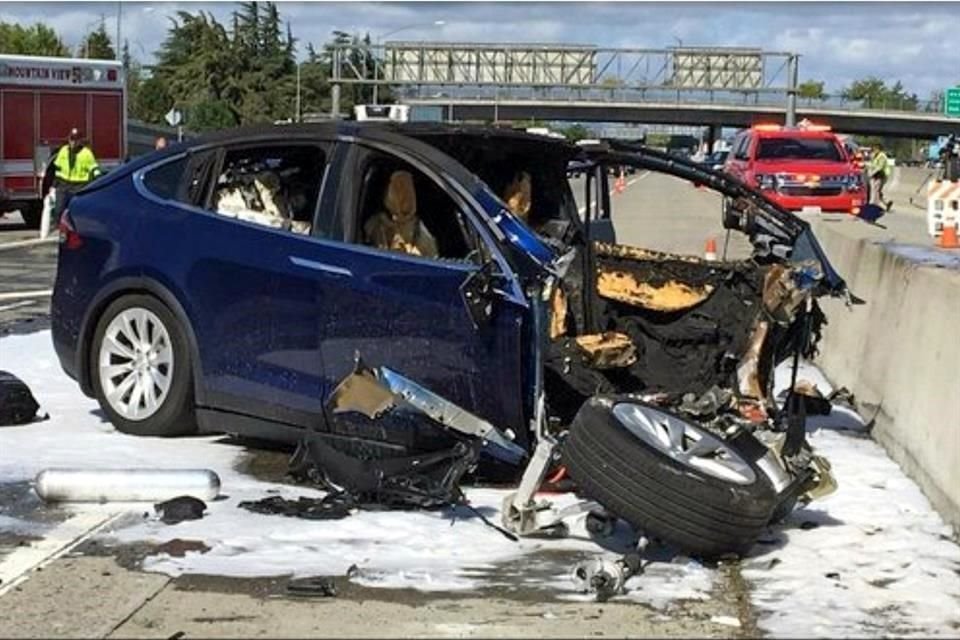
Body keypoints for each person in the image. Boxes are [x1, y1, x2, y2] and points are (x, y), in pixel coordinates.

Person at [363, 170, 438, 258]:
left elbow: (430, 256)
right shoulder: (376, 223)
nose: (403, 197)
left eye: (407, 190)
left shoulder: (418, 229)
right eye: (398, 189)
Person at [50, 128, 100, 222]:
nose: (73, 142)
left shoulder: (86, 153)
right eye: (72, 139)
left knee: (76, 211)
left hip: (79, 186)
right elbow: (58, 169)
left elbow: (94, 169)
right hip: (63, 185)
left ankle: (75, 228)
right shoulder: (63, 150)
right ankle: (58, 227)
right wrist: (54, 185)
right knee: (58, 209)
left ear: (80, 141)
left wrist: (98, 181)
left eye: (76, 140)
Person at [867, 143, 892, 211]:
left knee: (875, 190)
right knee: (877, 190)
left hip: (882, 175)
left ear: (879, 149)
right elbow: (873, 165)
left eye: (875, 149)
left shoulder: (882, 156)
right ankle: (886, 202)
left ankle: (874, 204)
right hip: (877, 175)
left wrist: (871, 173)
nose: (874, 150)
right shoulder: (876, 155)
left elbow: (879, 167)